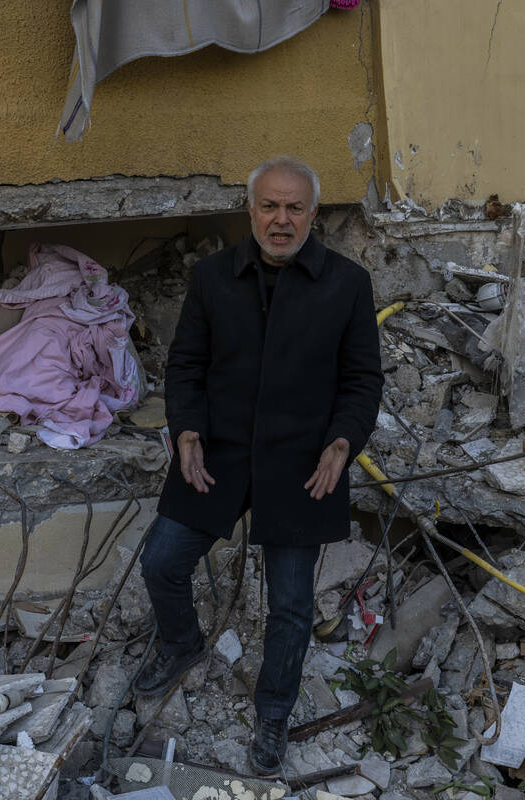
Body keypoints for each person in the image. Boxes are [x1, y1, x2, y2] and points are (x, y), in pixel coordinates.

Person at [136, 155, 384, 776]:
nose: (280, 219)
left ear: (312, 215)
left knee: (293, 606)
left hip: (305, 463)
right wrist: (185, 428)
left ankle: (273, 712)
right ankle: (181, 643)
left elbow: (362, 381)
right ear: (250, 212)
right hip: (216, 453)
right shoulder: (215, 277)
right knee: (162, 561)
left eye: (294, 207)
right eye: (269, 206)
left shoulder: (347, 284)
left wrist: (342, 443)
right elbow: (186, 364)